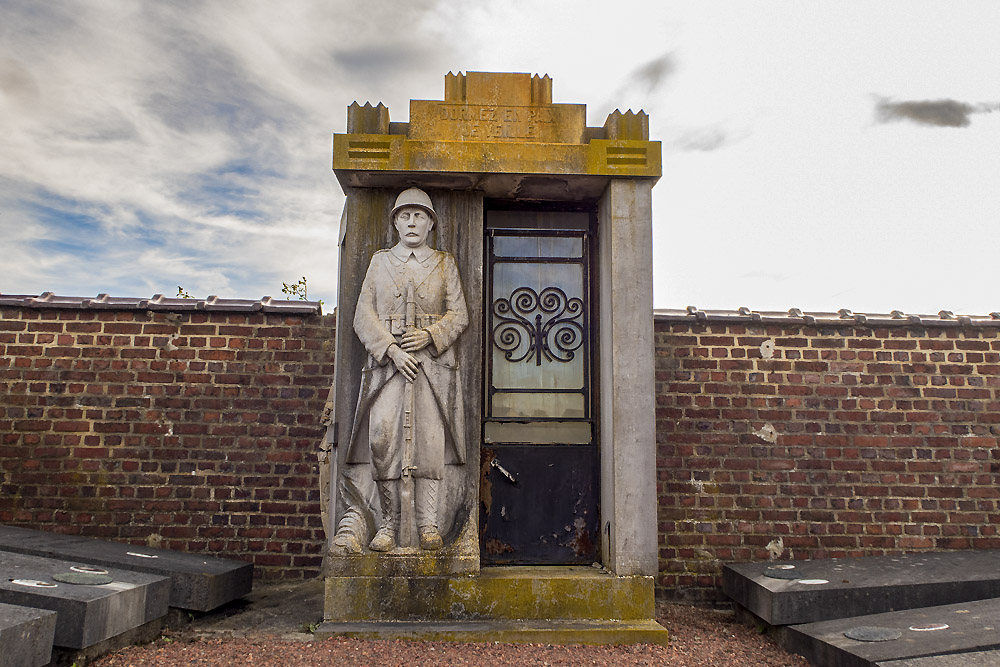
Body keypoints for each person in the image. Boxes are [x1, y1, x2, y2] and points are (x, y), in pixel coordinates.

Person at [345, 188, 468, 551]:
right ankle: (388, 523)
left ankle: (428, 523)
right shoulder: (380, 262)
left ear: (431, 223)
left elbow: (459, 314)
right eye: (405, 216)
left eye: (419, 216)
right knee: (383, 439)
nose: (412, 222)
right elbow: (361, 315)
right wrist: (392, 350)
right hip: (388, 368)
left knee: (429, 443)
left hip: (432, 368)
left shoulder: (444, 264)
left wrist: (430, 335)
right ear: (396, 222)